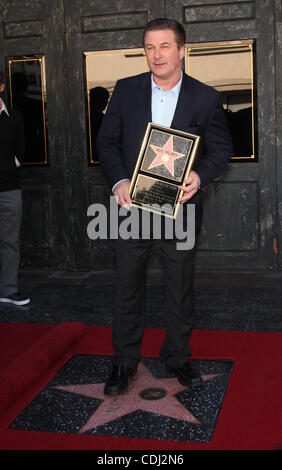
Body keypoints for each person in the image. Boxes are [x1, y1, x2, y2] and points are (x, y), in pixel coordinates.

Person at [97, 18, 233, 395]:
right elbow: (106, 143)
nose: (156, 55)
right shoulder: (125, 91)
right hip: (131, 208)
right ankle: (124, 362)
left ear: (182, 50)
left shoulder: (205, 97)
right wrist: (119, 180)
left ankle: (177, 357)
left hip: (182, 209)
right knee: (127, 285)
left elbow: (221, 150)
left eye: (164, 46)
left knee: (180, 287)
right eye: (149, 47)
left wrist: (199, 177)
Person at [0, 70, 30, 306]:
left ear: (1, 87)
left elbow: (21, 148)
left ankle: (8, 290)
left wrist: (12, 164)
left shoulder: (14, 117)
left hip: (9, 188)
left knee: (10, 240)